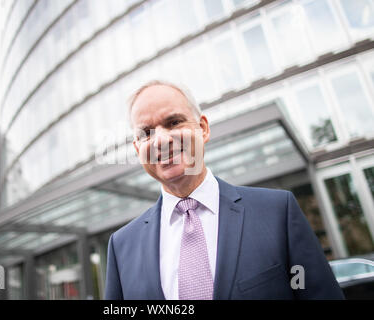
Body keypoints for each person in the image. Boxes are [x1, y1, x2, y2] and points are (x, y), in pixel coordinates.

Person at [105, 80, 344, 300]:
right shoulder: (121, 246)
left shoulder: (277, 213)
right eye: (146, 133)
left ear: (203, 129)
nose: (160, 140)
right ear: (138, 149)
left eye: (174, 122)